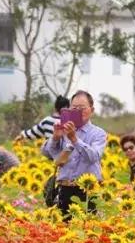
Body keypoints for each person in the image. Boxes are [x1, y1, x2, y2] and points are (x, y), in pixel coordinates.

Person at [41, 90, 107, 219]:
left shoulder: (98, 133)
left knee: (86, 228)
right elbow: (46, 153)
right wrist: (55, 138)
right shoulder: (64, 129)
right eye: (74, 108)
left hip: (87, 190)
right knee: (62, 230)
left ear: (92, 110)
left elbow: (93, 157)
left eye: (82, 108)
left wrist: (74, 139)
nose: (78, 111)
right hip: (64, 187)